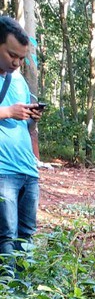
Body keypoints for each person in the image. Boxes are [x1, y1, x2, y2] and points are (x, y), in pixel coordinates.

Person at [0, 16, 42, 262]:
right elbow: (10, 112)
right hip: (3, 171)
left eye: (21, 58)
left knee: (27, 235)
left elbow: (26, 124)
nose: (17, 62)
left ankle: (25, 293)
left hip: (27, 169)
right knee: (6, 236)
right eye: (12, 55)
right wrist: (8, 112)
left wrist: (32, 115)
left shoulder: (17, 79)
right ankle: (7, 293)